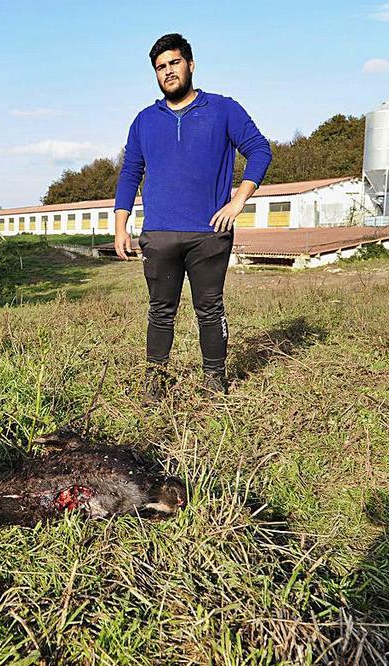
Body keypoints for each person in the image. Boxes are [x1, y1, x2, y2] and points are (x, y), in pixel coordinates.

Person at [112, 33, 272, 400]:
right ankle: (156, 380)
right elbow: (130, 173)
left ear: (190, 65)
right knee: (159, 311)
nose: (168, 71)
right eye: (160, 67)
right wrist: (120, 225)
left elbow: (260, 150)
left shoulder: (223, 109)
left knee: (210, 308)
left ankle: (214, 380)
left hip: (209, 234)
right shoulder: (144, 121)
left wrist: (237, 202)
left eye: (173, 63)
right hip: (160, 234)